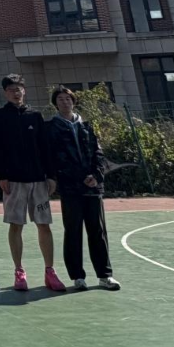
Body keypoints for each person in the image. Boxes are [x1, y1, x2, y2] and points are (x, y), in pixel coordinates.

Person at [0, 74, 66, 292]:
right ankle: (19, 271)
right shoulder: (0, 116)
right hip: (13, 181)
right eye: (11, 89)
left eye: (19, 89)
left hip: (38, 181)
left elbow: (45, 147)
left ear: (24, 91)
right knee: (16, 225)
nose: (16, 93)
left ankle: (50, 271)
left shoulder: (35, 115)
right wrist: (1, 175)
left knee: (44, 225)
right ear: (5, 93)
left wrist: (51, 176)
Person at [45, 85, 121, 291]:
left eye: (68, 99)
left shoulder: (86, 126)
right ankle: (77, 277)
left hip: (93, 187)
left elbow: (98, 154)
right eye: (60, 99)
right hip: (70, 187)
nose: (65, 102)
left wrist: (96, 175)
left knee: (98, 230)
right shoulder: (51, 128)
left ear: (73, 101)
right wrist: (77, 177)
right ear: (55, 104)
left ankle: (105, 275)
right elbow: (55, 158)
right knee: (73, 231)